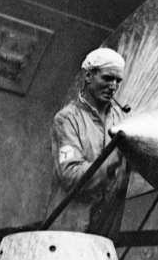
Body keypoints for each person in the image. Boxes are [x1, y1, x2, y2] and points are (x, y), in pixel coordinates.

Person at [46, 47, 132, 237]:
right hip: (69, 232)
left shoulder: (122, 119)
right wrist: (109, 164)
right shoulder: (67, 120)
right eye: (107, 78)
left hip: (104, 235)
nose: (113, 86)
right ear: (88, 76)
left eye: (118, 81)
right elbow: (71, 175)